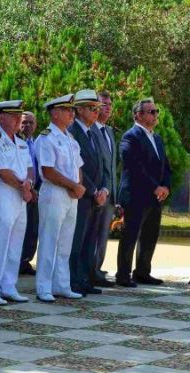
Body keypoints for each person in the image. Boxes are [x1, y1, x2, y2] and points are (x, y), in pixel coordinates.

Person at [35, 94, 86, 302]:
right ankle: (44, 287)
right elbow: (48, 170)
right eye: (67, 110)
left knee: (65, 242)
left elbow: (78, 166)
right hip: (54, 193)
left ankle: (61, 284)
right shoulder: (46, 138)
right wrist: (73, 185)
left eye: (72, 110)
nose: (72, 114)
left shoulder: (70, 138)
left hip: (71, 195)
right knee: (49, 240)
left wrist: (79, 186)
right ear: (55, 113)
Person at [0, 100, 33, 305]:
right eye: (13, 115)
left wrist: (28, 182)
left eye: (19, 116)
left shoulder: (20, 142)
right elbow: (1, 170)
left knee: (15, 242)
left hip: (21, 196)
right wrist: (22, 186)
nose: (18, 119)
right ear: (1, 117)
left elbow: (29, 166)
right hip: (4, 193)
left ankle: (8, 285)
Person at [116, 98, 171, 287]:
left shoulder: (157, 138)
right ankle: (123, 274)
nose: (155, 115)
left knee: (150, 235)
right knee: (130, 235)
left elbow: (166, 166)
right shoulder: (130, 136)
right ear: (138, 115)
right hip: (136, 195)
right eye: (151, 112)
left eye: (156, 111)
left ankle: (142, 272)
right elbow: (134, 166)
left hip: (155, 197)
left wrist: (165, 187)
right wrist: (155, 186)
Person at [68, 89, 110, 296]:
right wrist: (94, 190)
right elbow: (79, 167)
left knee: (90, 239)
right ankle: (73, 279)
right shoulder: (72, 131)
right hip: (83, 195)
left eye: (97, 108)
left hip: (95, 197)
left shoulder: (93, 132)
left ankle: (84, 278)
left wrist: (103, 189)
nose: (96, 112)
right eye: (92, 108)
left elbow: (102, 164)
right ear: (80, 110)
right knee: (77, 239)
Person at [94, 91, 118, 284]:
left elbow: (112, 166)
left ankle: (97, 268)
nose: (108, 107)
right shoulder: (90, 130)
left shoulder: (109, 131)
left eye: (110, 104)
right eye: (104, 104)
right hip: (96, 193)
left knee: (103, 235)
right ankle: (88, 269)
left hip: (110, 194)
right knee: (91, 234)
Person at [19, 111, 40, 275]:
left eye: (31, 123)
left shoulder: (37, 143)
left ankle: (26, 260)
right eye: (24, 122)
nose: (27, 126)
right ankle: (17, 261)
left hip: (36, 191)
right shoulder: (15, 142)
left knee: (33, 229)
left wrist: (36, 189)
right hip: (20, 190)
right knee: (20, 229)